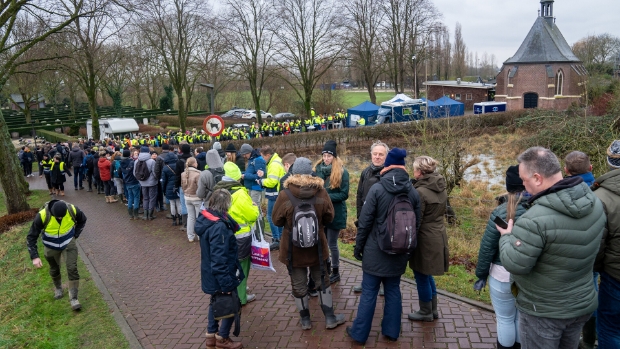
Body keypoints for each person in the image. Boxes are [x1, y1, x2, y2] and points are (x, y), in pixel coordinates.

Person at [497, 147, 606, 349]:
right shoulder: (594, 202)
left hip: (544, 312)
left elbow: (516, 263)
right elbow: (597, 249)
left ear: (537, 178)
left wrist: (506, 237)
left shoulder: (534, 219)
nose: (522, 184)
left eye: (524, 179)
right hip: (581, 304)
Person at [347, 148, 421, 344]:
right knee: (393, 290)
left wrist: (358, 247)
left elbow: (364, 221)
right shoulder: (412, 191)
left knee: (369, 292)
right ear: (403, 166)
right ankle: (391, 331)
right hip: (399, 251)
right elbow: (417, 224)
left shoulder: (377, 189)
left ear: (387, 165)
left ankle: (359, 334)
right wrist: (408, 249)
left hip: (374, 250)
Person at [272, 157, 345, 331]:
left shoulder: (285, 194)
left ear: (293, 173)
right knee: (322, 280)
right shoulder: (321, 192)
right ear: (311, 173)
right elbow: (330, 217)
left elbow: (276, 220)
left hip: (292, 249)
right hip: (317, 248)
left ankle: (305, 321)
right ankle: (329, 318)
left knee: (298, 283)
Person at [475, 165, 528, 349]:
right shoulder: (538, 208)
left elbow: (487, 248)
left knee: (505, 318)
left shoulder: (500, 212)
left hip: (502, 273)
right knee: (521, 317)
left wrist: (481, 275)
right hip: (529, 274)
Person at [195, 189, 245, 349]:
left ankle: (211, 336)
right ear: (226, 205)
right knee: (231, 303)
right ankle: (222, 338)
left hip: (210, 272)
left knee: (215, 302)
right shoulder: (220, 228)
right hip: (220, 274)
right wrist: (226, 284)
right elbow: (219, 259)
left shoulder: (207, 220)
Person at [407, 156, 450, 322]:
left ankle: (425, 311)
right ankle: (433, 309)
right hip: (438, 233)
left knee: (421, 274)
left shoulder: (420, 192)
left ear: (419, 172)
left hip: (425, 236)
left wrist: (410, 242)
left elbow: (417, 220)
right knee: (427, 273)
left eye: (414, 168)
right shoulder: (441, 186)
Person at [27, 200, 88, 310]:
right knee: (54, 269)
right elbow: (31, 237)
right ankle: (58, 288)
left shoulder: (72, 209)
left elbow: (82, 220)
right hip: (50, 246)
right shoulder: (42, 216)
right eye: (58, 217)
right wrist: (34, 256)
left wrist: (75, 235)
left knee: (72, 268)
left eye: (62, 217)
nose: (60, 218)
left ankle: (74, 298)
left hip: (68, 243)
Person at [214, 162, 259, 305]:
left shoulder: (218, 191)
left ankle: (234, 290)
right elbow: (252, 215)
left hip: (224, 235)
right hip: (241, 235)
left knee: (230, 265)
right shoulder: (240, 194)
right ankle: (241, 297)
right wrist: (255, 208)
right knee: (242, 265)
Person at [592, 140, 620, 349]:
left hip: (615, 276)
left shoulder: (601, 197)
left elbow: (598, 244)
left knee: (610, 328)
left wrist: (596, 269)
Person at [353, 141, 388, 294]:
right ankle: (366, 281)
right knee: (366, 252)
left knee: (382, 252)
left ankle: (382, 284)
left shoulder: (388, 174)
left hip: (382, 221)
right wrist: (360, 217)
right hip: (366, 221)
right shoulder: (366, 172)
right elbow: (359, 195)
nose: (377, 157)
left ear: (386, 156)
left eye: (381, 154)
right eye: (375, 154)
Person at [314, 140, 349, 284]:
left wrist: (325, 198)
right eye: (324, 156)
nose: (326, 158)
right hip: (322, 213)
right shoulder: (317, 170)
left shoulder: (342, 172)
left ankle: (336, 271)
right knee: (323, 241)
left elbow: (344, 194)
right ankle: (326, 266)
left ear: (334, 157)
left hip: (336, 212)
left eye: (329, 156)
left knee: (332, 243)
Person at [257, 146, 286, 250]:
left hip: (274, 194)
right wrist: (264, 174)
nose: (262, 159)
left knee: (271, 217)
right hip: (279, 193)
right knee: (279, 217)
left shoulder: (273, 164)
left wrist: (261, 181)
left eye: (263, 156)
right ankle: (281, 237)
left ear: (268, 155)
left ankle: (276, 239)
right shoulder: (277, 161)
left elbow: (272, 181)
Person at [134, 146, 158, 220]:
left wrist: (140, 180)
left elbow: (135, 173)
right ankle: (150, 215)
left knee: (145, 198)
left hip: (142, 183)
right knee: (152, 198)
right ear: (148, 152)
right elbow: (155, 173)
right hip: (152, 183)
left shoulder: (136, 161)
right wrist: (156, 179)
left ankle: (145, 215)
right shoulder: (152, 161)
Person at [181, 157, 202, 242]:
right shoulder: (198, 174)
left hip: (187, 197)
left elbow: (182, 186)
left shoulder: (183, 174)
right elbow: (200, 188)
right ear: (194, 164)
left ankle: (190, 236)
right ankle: (200, 236)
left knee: (190, 217)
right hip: (196, 198)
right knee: (199, 218)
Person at [161, 149, 181, 226]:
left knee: (172, 204)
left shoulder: (165, 168)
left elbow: (164, 181)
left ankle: (174, 220)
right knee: (179, 203)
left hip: (169, 188)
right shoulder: (178, 165)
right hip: (177, 186)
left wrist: (164, 190)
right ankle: (180, 219)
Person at [120, 149, 140, 220]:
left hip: (127, 182)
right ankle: (136, 214)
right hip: (134, 181)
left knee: (130, 197)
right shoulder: (132, 162)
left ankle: (130, 214)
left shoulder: (121, 162)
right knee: (136, 197)